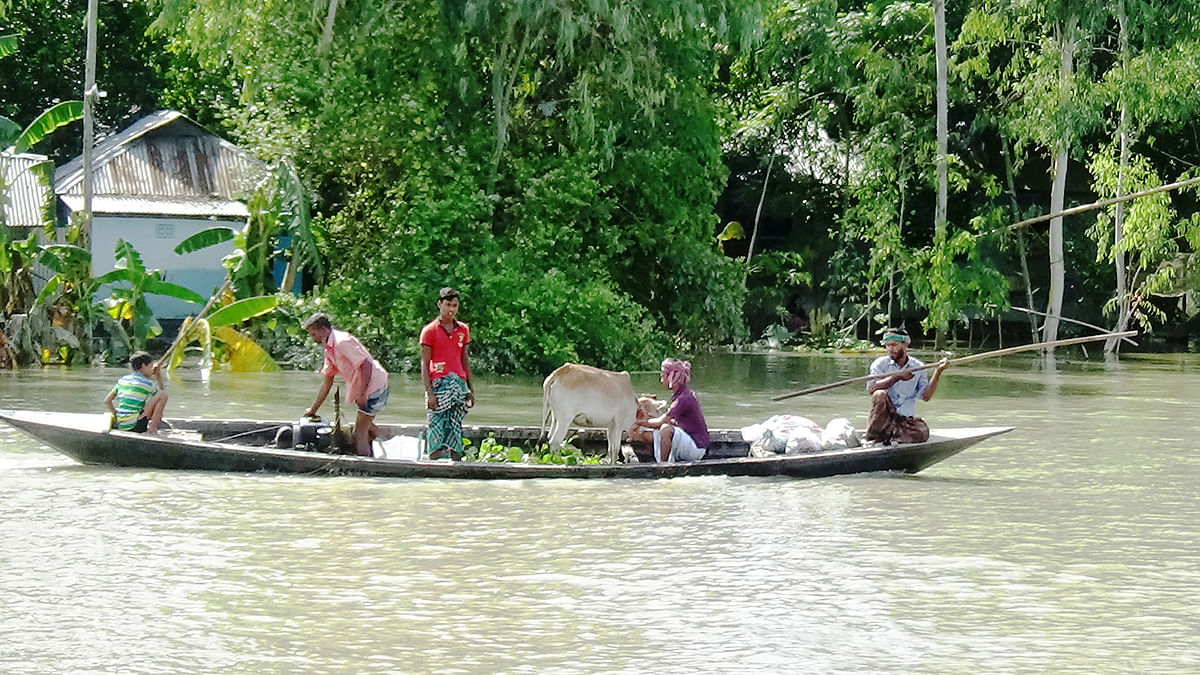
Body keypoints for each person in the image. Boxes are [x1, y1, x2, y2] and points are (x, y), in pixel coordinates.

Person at [302, 312, 389, 457]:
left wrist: (361, 393)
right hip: (367, 387)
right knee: (366, 425)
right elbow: (327, 381)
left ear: (324, 330)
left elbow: (365, 365)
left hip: (374, 387)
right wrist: (313, 409)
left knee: (359, 434)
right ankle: (388, 443)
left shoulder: (341, 342)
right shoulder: (329, 348)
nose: (313, 338)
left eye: (314, 334)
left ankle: (365, 468)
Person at [865, 327, 949, 444]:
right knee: (880, 394)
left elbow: (926, 397)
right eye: (887, 346)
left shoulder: (918, 367)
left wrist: (938, 371)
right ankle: (874, 437)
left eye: (894, 345)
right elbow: (871, 389)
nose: (890, 349)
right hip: (883, 420)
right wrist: (897, 376)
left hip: (904, 421)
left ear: (905, 344)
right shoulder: (880, 364)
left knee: (922, 431)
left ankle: (894, 437)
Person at [420, 287, 474, 460]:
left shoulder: (463, 330)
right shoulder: (429, 331)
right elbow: (424, 363)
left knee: (455, 424)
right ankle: (434, 460)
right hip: (438, 385)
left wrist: (470, 389)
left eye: (455, 306)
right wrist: (430, 393)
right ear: (440, 304)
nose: (451, 309)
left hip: (458, 384)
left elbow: (464, 359)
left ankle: (456, 464)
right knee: (436, 423)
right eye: (448, 305)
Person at [628, 358, 709, 462]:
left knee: (665, 429)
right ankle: (659, 459)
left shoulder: (683, 398)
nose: (661, 380)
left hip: (696, 447)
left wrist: (638, 422)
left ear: (671, 377)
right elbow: (667, 420)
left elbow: (662, 421)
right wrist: (644, 422)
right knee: (645, 435)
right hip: (686, 441)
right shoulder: (680, 395)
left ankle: (664, 465)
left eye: (663, 376)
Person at [104, 351, 168, 433]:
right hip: (135, 426)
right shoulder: (147, 384)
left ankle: (126, 421)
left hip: (121, 424)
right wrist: (158, 377)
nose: (152, 370)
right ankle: (153, 429)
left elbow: (107, 401)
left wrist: (116, 415)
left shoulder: (123, 380)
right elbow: (161, 394)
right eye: (150, 366)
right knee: (163, 394)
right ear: (143, 366)